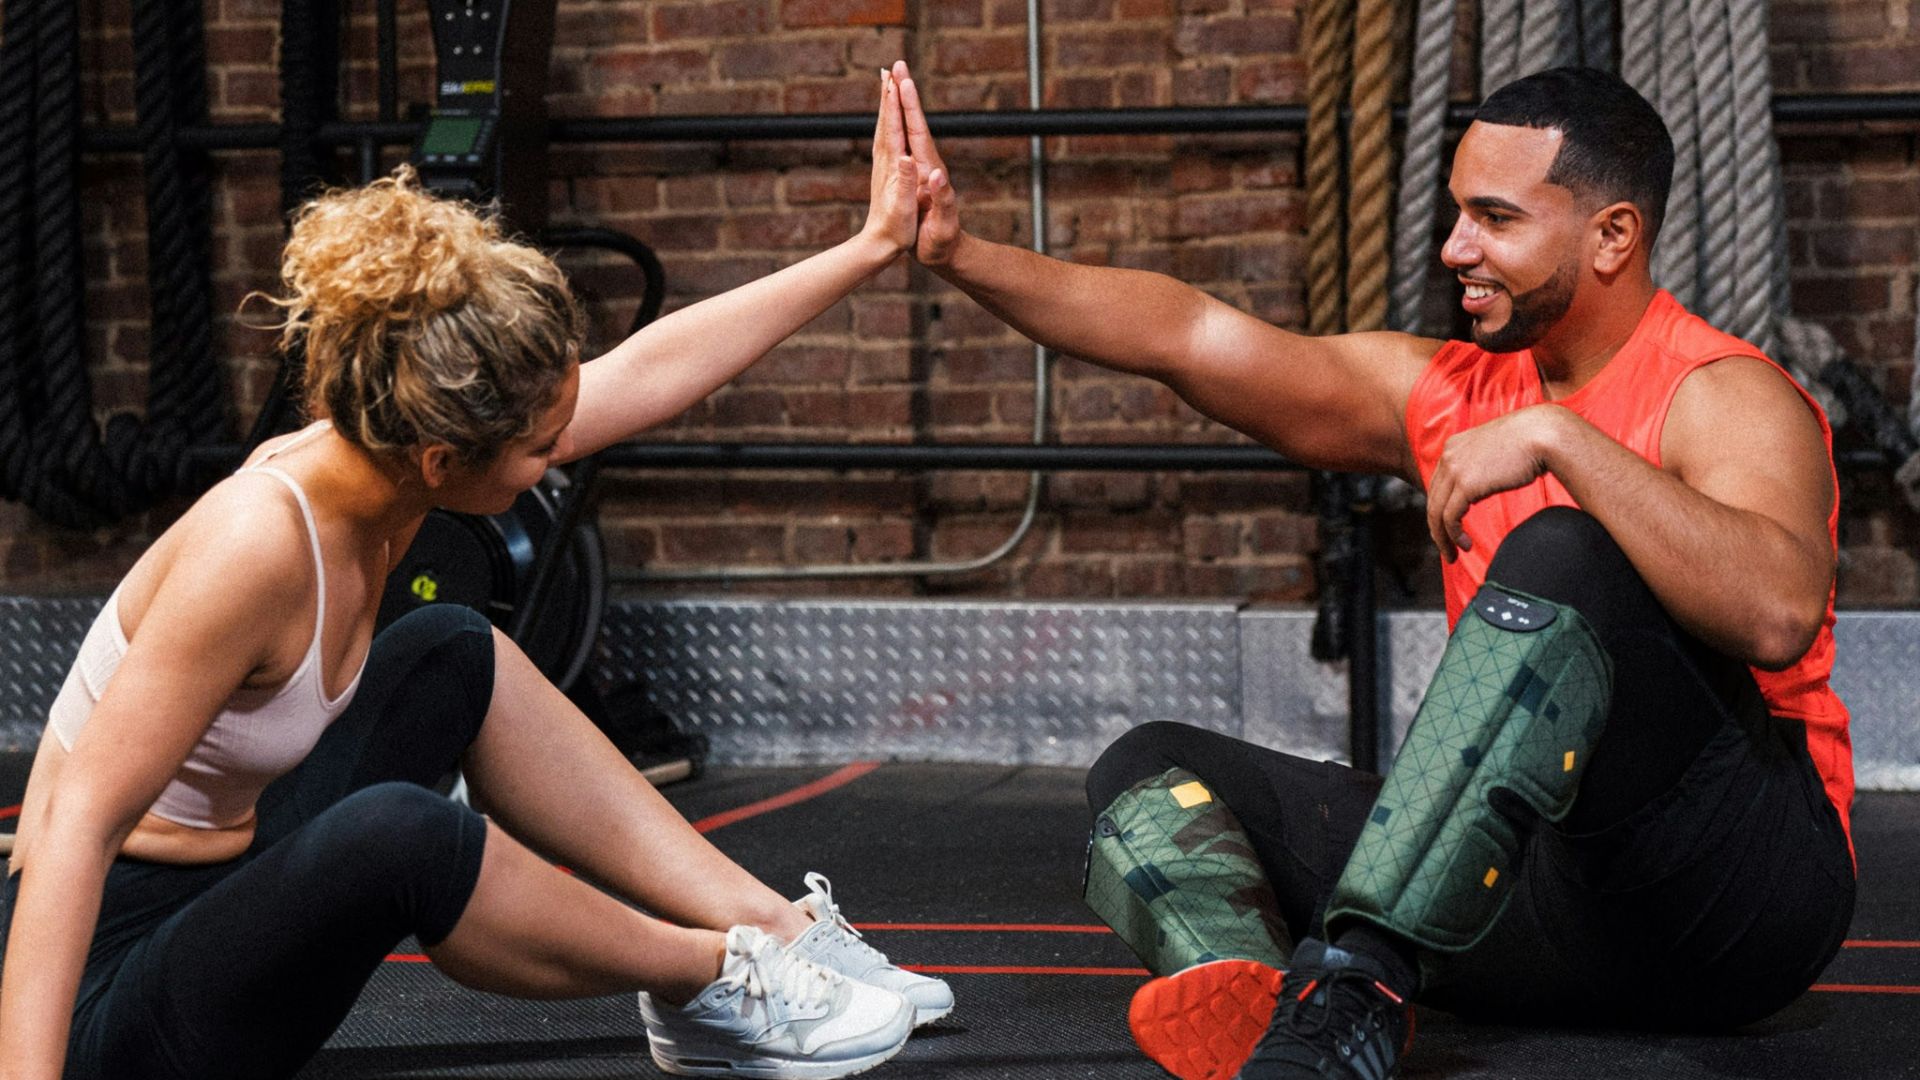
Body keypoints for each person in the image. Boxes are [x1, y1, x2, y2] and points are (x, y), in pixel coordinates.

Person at [889, 59, 1854, 1080]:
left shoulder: (1727, 394)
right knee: (1150, 771)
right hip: (1533, 906)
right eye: (1456, 215)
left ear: (1612, 235)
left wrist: (1564, 442)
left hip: (1735, 902)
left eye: (1495, 220)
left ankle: (1353, 990)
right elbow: (1188, 334)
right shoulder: (1448, 394)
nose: (1455, 249)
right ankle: (1257, 988)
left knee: (1565, 551)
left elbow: (1778, 611)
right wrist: (961, 253)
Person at [0, 70, 953, 1080]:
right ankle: (710, 975)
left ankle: (775, 932)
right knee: (401, 834)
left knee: (456, 648)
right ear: (446, 461)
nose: (559, 459)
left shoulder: (391, 453)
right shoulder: (259, 541)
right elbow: (68, 823)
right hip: (111, 1011)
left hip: (218, 904)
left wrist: (870, 248)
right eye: (542, 450)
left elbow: (648, 373)